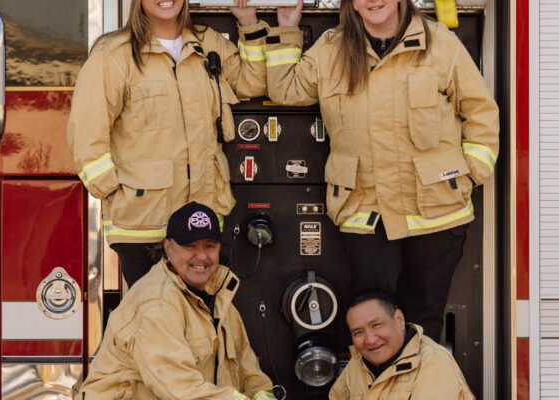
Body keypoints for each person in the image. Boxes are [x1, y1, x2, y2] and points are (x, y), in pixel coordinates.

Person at [266, 0, 499, 342]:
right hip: (366, 215)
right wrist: (286, 30)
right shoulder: (332, 48)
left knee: (423, 325)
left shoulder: (440, 44)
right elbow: (285, 90)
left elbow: (481, 114)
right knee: (373, 329)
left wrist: (467, 176)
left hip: (436, 213)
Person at [67, 0, 269, 288]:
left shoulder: (205, 42)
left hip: (202, 222)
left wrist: (249, 23)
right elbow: (86, 136)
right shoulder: (113, 55)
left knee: (199, 325)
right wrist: (112, 192)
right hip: (145, 227)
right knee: (155, 324)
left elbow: (253, 83)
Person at [76, 202, 277, 400]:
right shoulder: (156, 305)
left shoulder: (218, 297)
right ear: (168, 248)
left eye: (210, 245)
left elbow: (246, 367)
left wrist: (261, 395)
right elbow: (180, 389)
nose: (201, 256)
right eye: (190, 246)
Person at [329, 289, 474, 399]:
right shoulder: (357, 365)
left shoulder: (433, 363)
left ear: (399, 319)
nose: (370, 340)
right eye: (358, 332)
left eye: (376, 325)